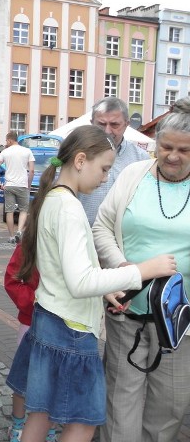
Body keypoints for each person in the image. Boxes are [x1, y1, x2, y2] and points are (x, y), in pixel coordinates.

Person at [5, 125, 176, 442]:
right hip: (70, 330)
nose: (106, 177)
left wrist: (105, 289)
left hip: (50, 318)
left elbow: (64, 271)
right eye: (104, 168)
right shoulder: (69, 208)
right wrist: (143, 269)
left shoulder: (55, 199)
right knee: (84, 421)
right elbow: (81, 280)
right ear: (81, 160)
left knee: (40, 414)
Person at [93, 97, 190, 442]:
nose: (173, 156)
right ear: (155, 145)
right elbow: (102, 226)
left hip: (181, 324)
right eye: (166, 147)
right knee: (120, 399)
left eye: (184, 150)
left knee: (171, 404)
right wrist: (121, 266)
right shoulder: (134, 175)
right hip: (128, 311)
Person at [4, 245, 57, 442]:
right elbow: (12, 279)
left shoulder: (72, 237)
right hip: (32, 322)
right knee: (23, 379)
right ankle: (18, 426)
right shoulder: (29, 243)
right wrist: (35, 301)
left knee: (54, 381)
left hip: (63, 324)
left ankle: (49, 428)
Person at [79, 96, 150, 226]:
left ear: (127, 125)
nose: (107, 130)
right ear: (92, 123)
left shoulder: (141, 159)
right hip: (81, 234)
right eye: (101, 124)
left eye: (114, 124)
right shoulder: (77, 154)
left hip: (121, 237)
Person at [0, 131, 35, 244]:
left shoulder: (5, 152)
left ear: (9, 140)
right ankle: (19, 231)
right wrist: (29, 183)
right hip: (22, 184)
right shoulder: (27, 151)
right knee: (23, 210)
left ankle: (12, 236)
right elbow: (31, 170)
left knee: (9, 211)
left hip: (9, 185)